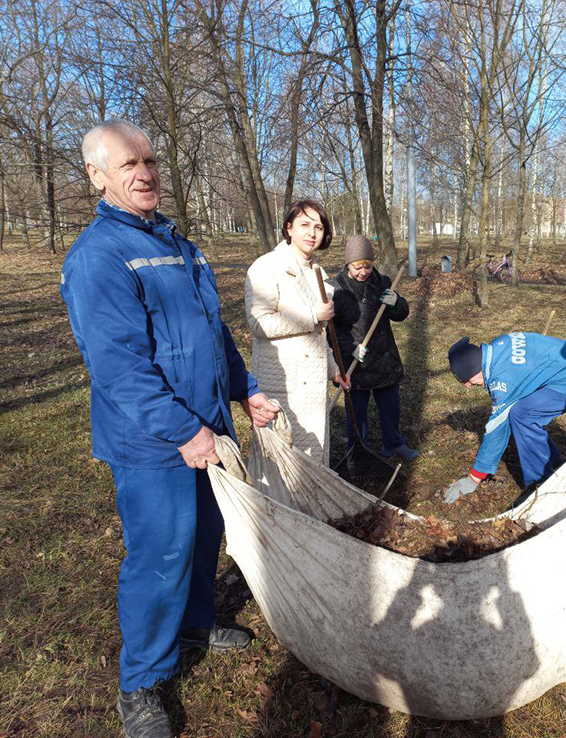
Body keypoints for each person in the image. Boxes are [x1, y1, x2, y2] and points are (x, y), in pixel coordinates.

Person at [60, 119, 280, 738]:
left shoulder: (178, 244)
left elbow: (212, 336)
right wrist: (184, 432)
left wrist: (248, 390)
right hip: (154, 443)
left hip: (209, 426)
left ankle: (196, 622)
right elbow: (119, 369)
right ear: (97, 176)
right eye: (128, 165)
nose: (145, 173)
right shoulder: (99, 258)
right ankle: (143, 684)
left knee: (207, 536)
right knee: (160, 557)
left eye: (150, 160)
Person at [444, 333, 566, 504]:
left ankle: (543, 484)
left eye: (468, 380)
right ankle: (554, 463)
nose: (469, 386)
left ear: (476, 369)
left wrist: (474, 477)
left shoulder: (504, 380)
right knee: (522, 408)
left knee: (523, 415)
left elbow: (497, 428)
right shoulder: (499, 345)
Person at [244, 200, 350, 466]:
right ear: (288, 227)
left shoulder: (317, 272)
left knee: (313, 463)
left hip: (313, 388)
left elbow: (319, 335)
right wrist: (312, 315)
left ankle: (311, 508)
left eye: (319, 227)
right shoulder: (266, 267)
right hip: (283, 384)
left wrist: (334, 370)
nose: (312, 233)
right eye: (304, 225)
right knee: (282, 464)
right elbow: (260, 324)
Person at [330, 235, 418, 460]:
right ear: (348, 265)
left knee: (391, 407)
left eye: (367, 266)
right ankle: (358, 450)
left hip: (383, 358)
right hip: (355, 364)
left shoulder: (383, 282)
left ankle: (393, 444)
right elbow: (331, 330)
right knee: (356, 413)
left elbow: (402, 314)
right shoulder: (336, 289)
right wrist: (349, 347)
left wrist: (396, 302)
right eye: (357, 267)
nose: (363, 272)